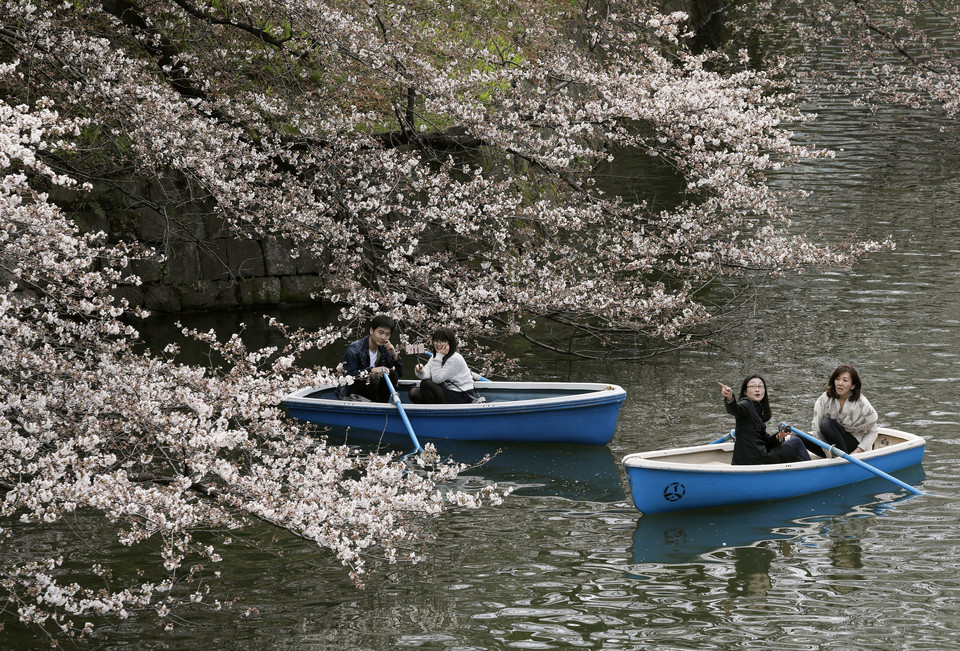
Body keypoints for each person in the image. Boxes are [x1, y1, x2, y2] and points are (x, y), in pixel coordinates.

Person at [719, 375, 810, 465]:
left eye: (760, 386)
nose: (757, 389)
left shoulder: (758, 409)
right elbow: (735, 409)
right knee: (796, 442)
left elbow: (764, 441)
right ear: (745, 391)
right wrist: (730, 397)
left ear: (764, 390)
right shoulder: (746, 404)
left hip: (753, 457)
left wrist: (778, 436)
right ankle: (810, 470)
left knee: (793, 442)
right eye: (753, 386)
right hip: (756, 459)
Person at [803, 364, 878, 457]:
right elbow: (816, 426)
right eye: (837, 379)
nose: (840, 383)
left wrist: (858, 451)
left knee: (826, 424)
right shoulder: (825, 398)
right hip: (830, 446)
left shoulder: (862, 404)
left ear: (853, 386)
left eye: (845, 380)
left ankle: (843, 459)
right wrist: (826, 450)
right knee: (797, 436)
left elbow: (873, 431)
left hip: (854, 447)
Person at [337, 315, 404, 402]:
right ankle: (370, 407)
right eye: (380, 332)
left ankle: (382, 405)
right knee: (373, 378)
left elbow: (400, 373)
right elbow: (348, 375)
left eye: (387, 334)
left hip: (374, 391)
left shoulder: (385, 349)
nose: (383, 337)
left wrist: (394, 354)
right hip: (353, 392)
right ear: (371, 330)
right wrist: (372, 370)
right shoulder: (354, 349)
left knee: (392, 373)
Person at [408, 327, 478, 404]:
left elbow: (437, 379)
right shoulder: (436, 356)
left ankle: (435, 412)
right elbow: (426, 374)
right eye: (436, 341)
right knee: (413, 393)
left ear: (450, 342)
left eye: (443, 341)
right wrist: (420, 371)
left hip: (461, 395)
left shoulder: (455, 358)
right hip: (448, 391)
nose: (439, 344)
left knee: (426, 383)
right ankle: (433, 409)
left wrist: (439, 356)